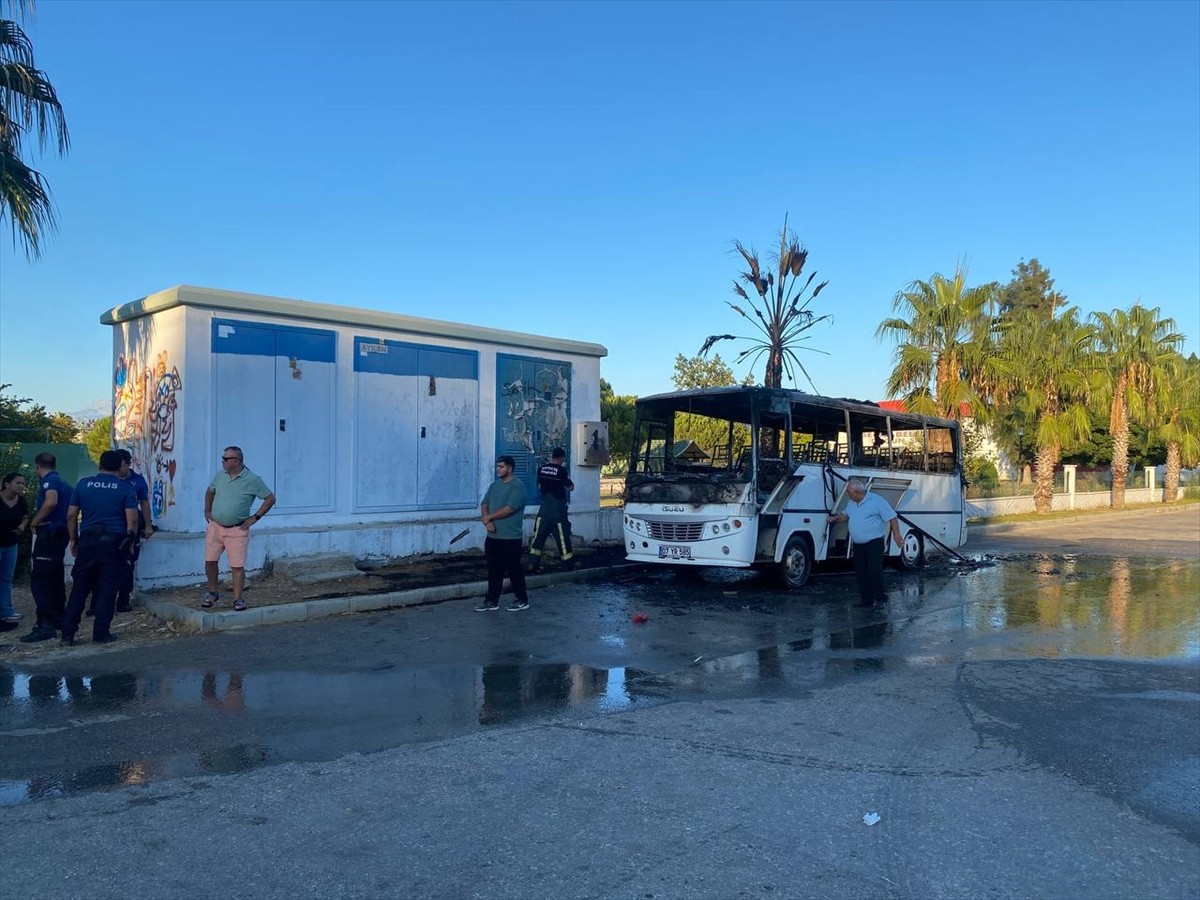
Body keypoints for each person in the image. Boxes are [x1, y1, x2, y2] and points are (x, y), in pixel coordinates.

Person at [60, 450, 139, 646]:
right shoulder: (125, 487)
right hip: (114, 543)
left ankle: (67, 635)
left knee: (79, 589)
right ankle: (100, 634)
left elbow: (71, 515)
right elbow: (132, 520)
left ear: (99, 465)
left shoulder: (83, 484)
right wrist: (130, 543)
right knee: (107, 590)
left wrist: (73, 539)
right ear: (119, 467)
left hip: (88, 541)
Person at [203, 446, 275, 611]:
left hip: (237, 529)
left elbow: (270, 498)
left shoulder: (252, 479)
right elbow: (210, 491)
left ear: (237, 461)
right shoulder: (220, 476)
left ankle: (238, 599)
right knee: (210, 561)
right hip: (216, 527)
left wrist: (255, 518)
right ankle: (213, 592)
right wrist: (207, 509)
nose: (223, 461)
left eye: (226, 459)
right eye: (223, 458)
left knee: (236, 566)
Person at [827, 477, 903, 610]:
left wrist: (896, 535)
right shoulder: (852, 502)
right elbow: (846, 515)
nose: (847, 495)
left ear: (857, 492)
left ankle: (880, 598)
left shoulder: (876, 501)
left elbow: (892, 517)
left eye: (849, 492)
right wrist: (835, 518)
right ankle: (866, 599)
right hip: (858, 544)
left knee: (874, 569)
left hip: (874, 542)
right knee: (861, 572)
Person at [20, 453, 72, 643]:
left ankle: (45, 625)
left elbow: (51, 501)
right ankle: (59, 618)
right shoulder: (65, 483)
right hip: (60, 536)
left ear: (38, 466)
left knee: (40, 581)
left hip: (48, 535)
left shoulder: (49, 481)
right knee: (55, 578)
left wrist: (36, 520)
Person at [475, 455, 529, 612]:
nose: (498, 469)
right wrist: (487, 521)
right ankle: (492, 600)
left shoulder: (517, 486)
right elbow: (485, 503)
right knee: (494, 570)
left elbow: (509, 508)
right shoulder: (494, 486)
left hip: (510, 537)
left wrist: (489, 517)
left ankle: (522, 599)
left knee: (514, 569)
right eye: (498, 466)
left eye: (501, 466)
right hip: (493, 537)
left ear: (510, 468)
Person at [114, 449, 154, 613]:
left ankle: (124, 599)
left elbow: (144, 503)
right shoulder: (111, 478)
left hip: (131, 526)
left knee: (128, 563)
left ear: (128, 464)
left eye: (122, 465)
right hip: (113, 526)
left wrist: (148, 526)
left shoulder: (137, 481)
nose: (119, 469)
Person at [528, 447, 574, 573]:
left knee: (538, 537)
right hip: (557, 510)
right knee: (562, 537)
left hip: (543, 509)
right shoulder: (562, 470)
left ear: (552, 456)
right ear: (562, 458)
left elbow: (539, 486)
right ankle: (568, 564)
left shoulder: (541, 469)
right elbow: (570, 487)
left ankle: (532, 562)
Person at [0, 472, 29, 626]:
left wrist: (22, 526)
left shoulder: (21, 501)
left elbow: (25, 517)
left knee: (6, 577)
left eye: (23, 484)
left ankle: (6, 610)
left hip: (11, 543)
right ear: (7, 484)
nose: (21, 486)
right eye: (18, 483)